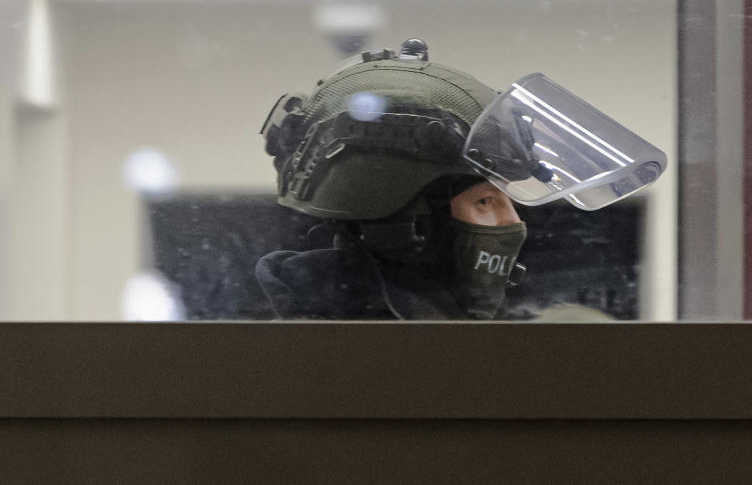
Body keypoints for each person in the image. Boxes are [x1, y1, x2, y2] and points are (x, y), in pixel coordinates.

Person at [255, 38, 666, 320]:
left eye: (507, 198)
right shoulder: (309, 363)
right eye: (484, 202)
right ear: (405, 222)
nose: (512, 222)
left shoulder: (467, 343)